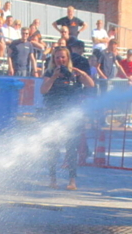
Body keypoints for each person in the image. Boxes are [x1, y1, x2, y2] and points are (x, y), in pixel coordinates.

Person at [39, 46, 95, 190]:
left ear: (68, 58)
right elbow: (43, 90)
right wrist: (54, 77)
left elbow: (91, 84)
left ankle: (72, 181)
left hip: (71, 117)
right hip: (54, 116)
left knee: (71, 149)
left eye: (63, 57)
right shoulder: (50, 72)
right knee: (53, 149)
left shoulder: (74, 74)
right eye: (57, 57)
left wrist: (81, 73)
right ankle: (53, 179)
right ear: (54, 59)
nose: (60, 60)